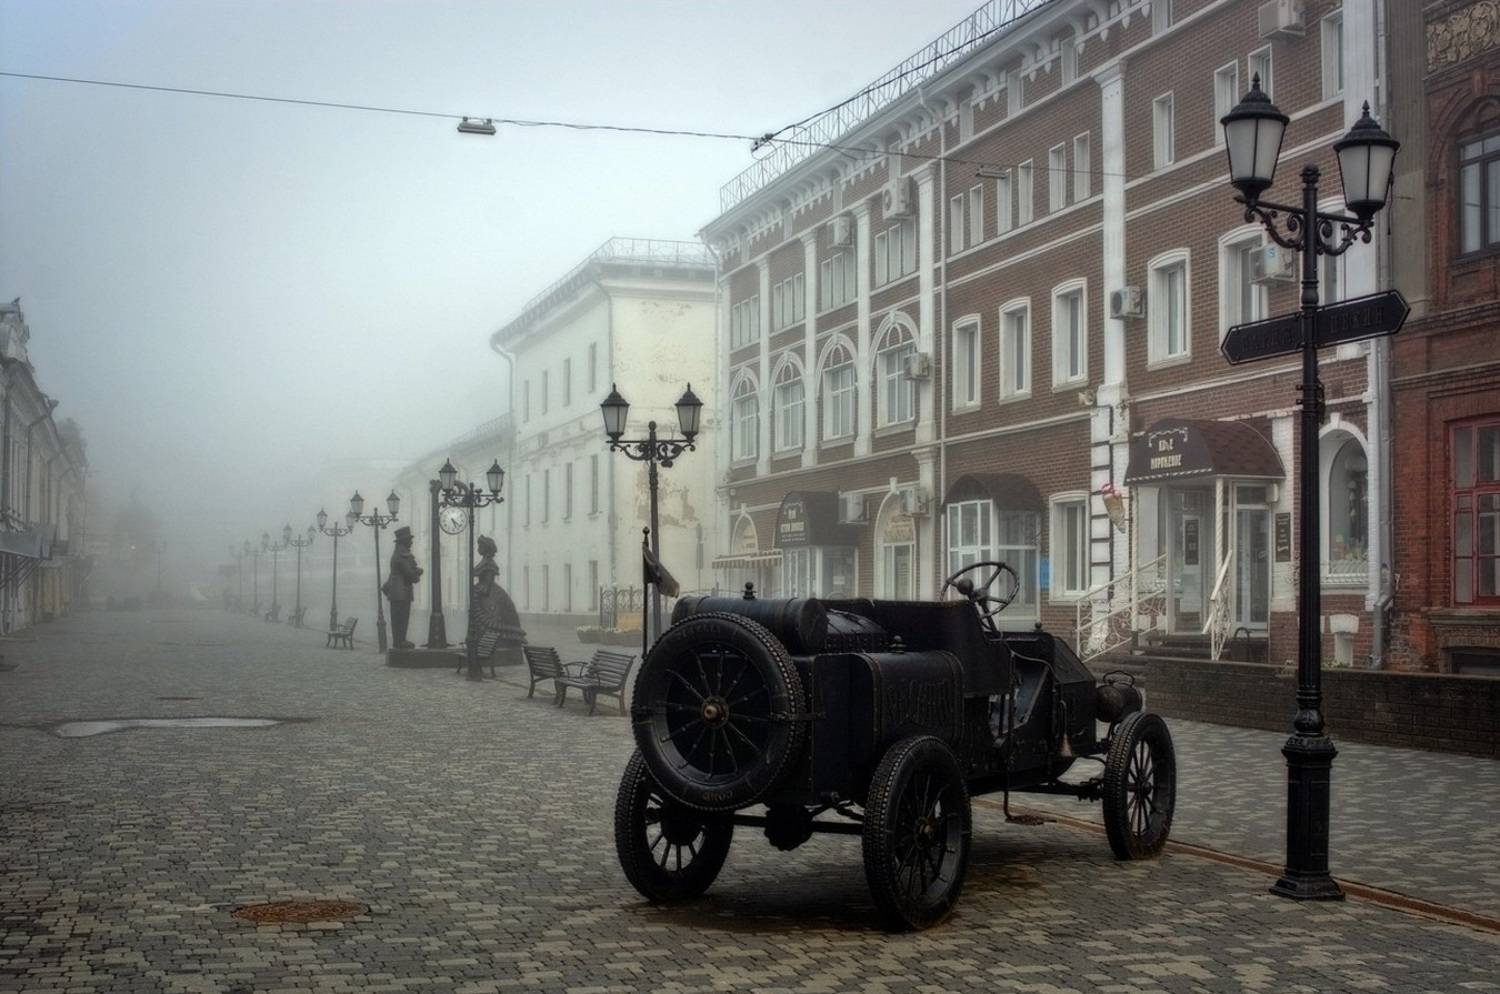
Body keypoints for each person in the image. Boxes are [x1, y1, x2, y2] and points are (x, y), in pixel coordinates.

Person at [383, 526, 423, 649]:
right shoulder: (402, 556)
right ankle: (400, 641)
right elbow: (410, 575)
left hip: (396, 592)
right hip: (402, 592)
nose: (411, 542)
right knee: (402, 618)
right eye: (409, 540)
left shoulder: (398, 554)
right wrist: (418, 573)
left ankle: (399, 640)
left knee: (398, 618)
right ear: (404, 541)